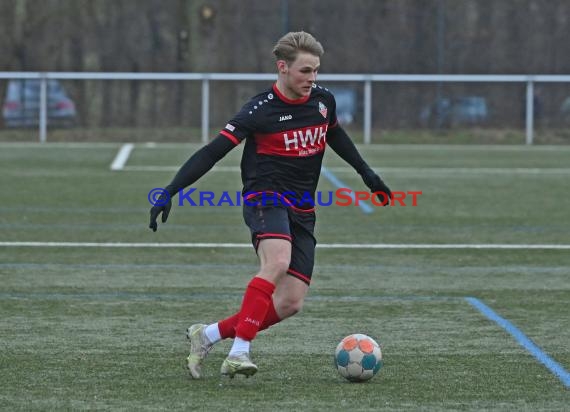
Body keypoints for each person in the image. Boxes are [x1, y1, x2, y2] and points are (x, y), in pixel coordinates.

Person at [148, 31, 391, 379]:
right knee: (277, 260)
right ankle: (238, 352)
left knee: (291, 302)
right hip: (266, 196)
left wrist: (366, 172)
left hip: (303, 206)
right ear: (282, 68)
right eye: (305, 71)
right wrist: (171, 189)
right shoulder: (259, 110)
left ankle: (209, 335)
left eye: (316, 70)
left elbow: (333, 132)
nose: (312, 78)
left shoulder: (323, 101)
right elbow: (213, 152)